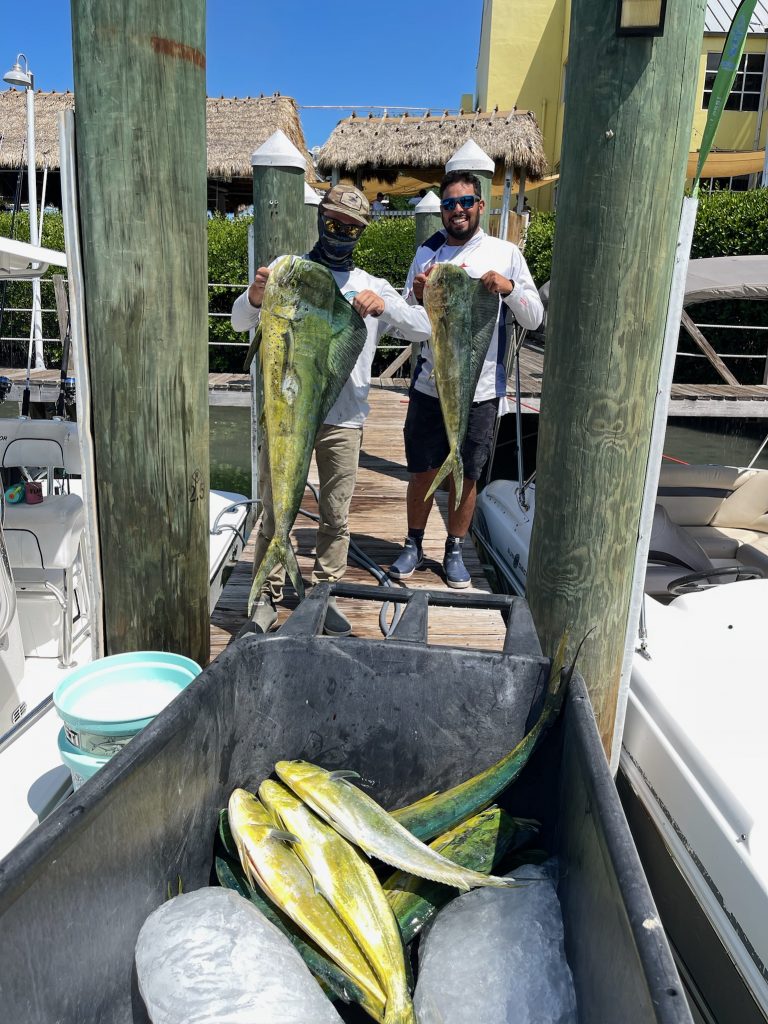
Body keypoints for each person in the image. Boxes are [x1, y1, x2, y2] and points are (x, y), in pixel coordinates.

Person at [231, 184, 430, 635]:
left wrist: (389, 307)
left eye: (351, 227)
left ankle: (322, 594)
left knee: (335, 516)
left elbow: (422, 328)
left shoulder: (369, 284)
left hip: (345, 418)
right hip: (288, 417)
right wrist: (256, 296)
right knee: (276, 506)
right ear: (320, 217)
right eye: (333, 221)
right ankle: (266, 592)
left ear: (361, 232)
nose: (339, 231)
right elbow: (240, 322)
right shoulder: (290, 271)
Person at [389, 170, 544, 589]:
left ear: (480, 205)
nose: (457, 210)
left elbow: (534, 316)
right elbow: (410, 326)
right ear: (441, 209)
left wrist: (509, 289)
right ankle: (414, 543)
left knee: (467, 474)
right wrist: (421, 297)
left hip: (482, 391)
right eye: (449, 204)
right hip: (428, 388)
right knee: (422, 471)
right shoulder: (427, 251)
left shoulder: (505, 251)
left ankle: (454, 547)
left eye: (465, 202)